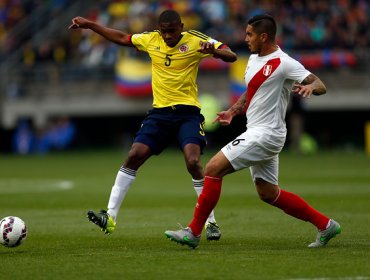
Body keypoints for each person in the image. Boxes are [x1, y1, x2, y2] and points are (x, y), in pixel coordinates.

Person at [165, 14, 341, 249]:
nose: (245, 38)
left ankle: (194, 232)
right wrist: (233, 111)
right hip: (258, 131)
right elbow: (251, 92)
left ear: (264, 36)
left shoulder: (284, 62)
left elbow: (320, 84)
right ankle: (326, 225)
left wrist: (310, 87)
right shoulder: (253, 59)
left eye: (250, 34)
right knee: (268, 193)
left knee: (213, 168)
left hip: (267, 133)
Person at [69, 10, 237, 239]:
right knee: (134, 155)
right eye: (164, 31)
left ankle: (211, 223)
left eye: (172, 31)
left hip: (188, 114)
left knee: (193, 161)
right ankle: (109, 217)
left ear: (182, 26)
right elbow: (121, 38)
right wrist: (90, 24)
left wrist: (215, 52)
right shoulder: (151, 39)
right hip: (159, 114)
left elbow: (232, 55)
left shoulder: (196, 39)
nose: (167, 36)